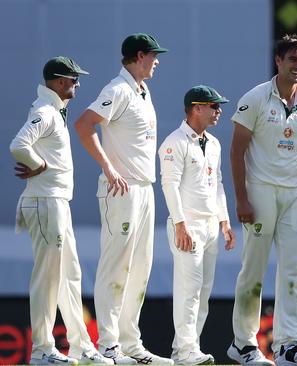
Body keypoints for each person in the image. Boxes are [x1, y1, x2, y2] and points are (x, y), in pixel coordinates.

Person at [227, 34, 297, 366]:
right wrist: (242, 199)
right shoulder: (255, 98)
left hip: (295, 195)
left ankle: (288, 346)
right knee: (253, 269)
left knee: (293, 271)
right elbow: (237, 152)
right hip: (260, 192)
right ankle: (243, 344)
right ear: (278, 61)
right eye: (292, 60)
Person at [74, 33, 173, 365]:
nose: (157, 61)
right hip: (122, 189)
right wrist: (109, 168)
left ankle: (130, 343)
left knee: (140, 268)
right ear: (140, 55)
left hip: (145, 188)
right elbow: (84, 125)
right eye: (153, 56)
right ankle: (107, 344)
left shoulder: (143, 90)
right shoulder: (117, 89)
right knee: (115, 266)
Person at [10, 57, 113, 365]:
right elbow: (18, 144)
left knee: (70, 275)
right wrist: (39, 165)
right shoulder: (44, 111)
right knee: (48, 277)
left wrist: (39, 164)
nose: (77, 84)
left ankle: (81, 346)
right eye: (72, 79)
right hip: (45, 202)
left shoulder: (54, 111)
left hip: (55, 202)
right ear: (58, 82)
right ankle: (42, 349)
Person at [159, 85, 235, 365]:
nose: (219, 111)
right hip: (187, 225)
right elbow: (170, 186)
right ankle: (188, 350)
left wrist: (224, 221)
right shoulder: (174, 142)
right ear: (196, 107)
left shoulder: (213, 143)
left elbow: (217, 185)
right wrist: (180, 224)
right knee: (188, 289)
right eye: (214, 106)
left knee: (203, 292)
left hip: (210, 227)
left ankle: (185, 351)